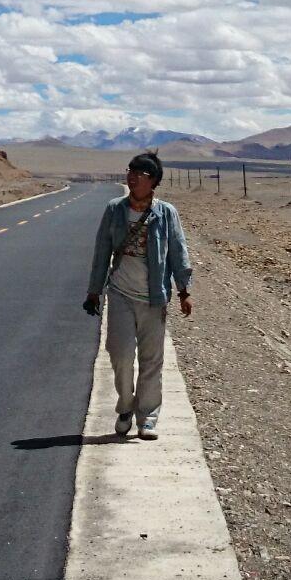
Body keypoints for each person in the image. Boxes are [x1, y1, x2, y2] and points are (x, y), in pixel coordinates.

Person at [83, 152, 193, 439]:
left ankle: (147, 416)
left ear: (153, 181)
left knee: (151, 360)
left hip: (154, 297)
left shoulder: (166, 213)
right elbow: (101, 251)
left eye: (140, 173)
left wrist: (184, 290)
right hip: (120, 294)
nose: (132, 176)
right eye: (130, 171)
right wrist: (94, 291)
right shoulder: (115, 209)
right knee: (119, 355)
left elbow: (178, 253)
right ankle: (124, 406)